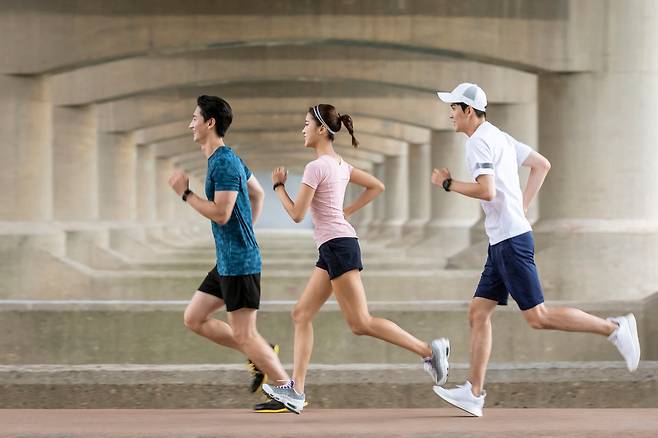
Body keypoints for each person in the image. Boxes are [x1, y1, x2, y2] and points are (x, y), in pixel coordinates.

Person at [431, 83, 641, 417]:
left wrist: (448, 183)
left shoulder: (479, 143)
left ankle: (615, 328)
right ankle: (473, 393)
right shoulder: (499, 136)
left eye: (453, 108)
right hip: (503, 239)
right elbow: (541, 164)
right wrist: (521, 208)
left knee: (538, 318)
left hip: (510, 242)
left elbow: (487, 191)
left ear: (469, 110)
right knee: (478, 312)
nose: (450, 114)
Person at [262, 104, 450, 414]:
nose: (303, 129)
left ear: (322, 130)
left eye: (307, 124)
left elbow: (297, 214)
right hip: (335, 245)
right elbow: (378, 186)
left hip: (338, 245)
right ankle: (296, 390)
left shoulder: (317, 167)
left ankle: (430, 350)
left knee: (360, 322)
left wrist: (279, 187)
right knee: (301, 314)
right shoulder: (340, 165)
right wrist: (346, 212)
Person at [168, 95, 290, 410]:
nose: (190, 124)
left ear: (210, 123)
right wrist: (246, 229)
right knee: (194, 318)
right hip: (228, 260)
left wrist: (185, 193)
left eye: (195, 118)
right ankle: (262, 353)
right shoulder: (227, 159)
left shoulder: (223, 162)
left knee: (246, 334)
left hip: (239, 263)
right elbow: (257, 192)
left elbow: (221, 214)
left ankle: (285, 387)